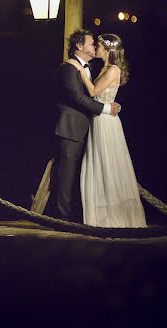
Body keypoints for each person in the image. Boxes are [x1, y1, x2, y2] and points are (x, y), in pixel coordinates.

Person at [67, 33, 146, 227]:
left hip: (105, 122)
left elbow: (93, 92)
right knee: (99, 161)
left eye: (99, 46)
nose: (96, 49)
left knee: (107, 162)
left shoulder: (112, 69)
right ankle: (99, 217)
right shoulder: (105, 68)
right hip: (100, 118)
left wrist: (80, 71)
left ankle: (111, 217)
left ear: (108, 50)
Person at [50, 29, 121, 223]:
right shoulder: (69, 68)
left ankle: (79, 215)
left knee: (82, 174)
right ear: (80, 46)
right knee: (67, 174)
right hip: (70, 128)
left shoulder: (87, 68)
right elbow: (78, 97)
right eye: (91, 43)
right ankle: (62, 218)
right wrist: (106, 109)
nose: (95, 47)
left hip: (87, 128)